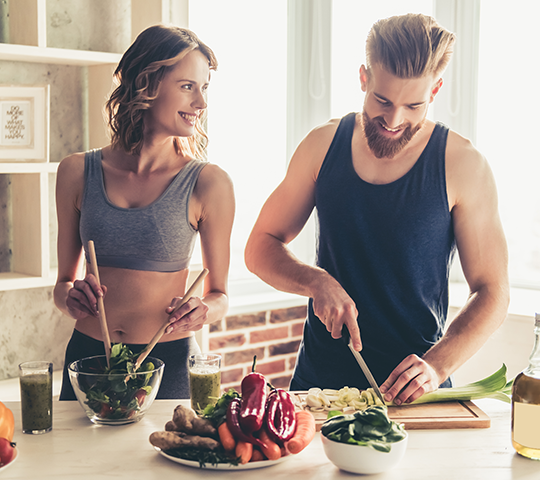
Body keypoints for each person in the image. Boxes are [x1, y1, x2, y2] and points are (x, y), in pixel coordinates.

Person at [245, 14, 509, 405]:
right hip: (318, 389)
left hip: (412, 395)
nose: (393, 120)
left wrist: (437, 366)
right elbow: (259, 247)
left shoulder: (463, 164)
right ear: (363, 78)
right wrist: (315, 281)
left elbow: (493, 292)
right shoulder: (321, 146)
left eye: (413, 105)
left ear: (434, 91)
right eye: (382, 100)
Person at [54, 25, 235, 400]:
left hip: (167, 362)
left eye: (204, 88)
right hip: (88, 359)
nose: (201, 103)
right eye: (188, 86)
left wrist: (203, 310)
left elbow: (219, 294)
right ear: (146, 84)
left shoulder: (209, 183)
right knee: (79, 461)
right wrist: (70, 297)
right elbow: (62, 286)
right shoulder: (75, 172)